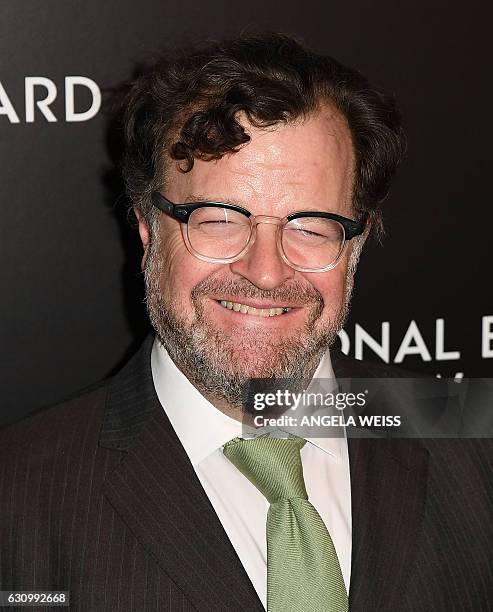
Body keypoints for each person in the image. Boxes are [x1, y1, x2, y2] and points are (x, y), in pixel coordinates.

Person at [1, 33, 492, 612]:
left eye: (310, 226)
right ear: (145, 228)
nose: (265, 271)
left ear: (355, 244)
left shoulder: (471, 442)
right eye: (219, 220)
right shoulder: (19, 498)